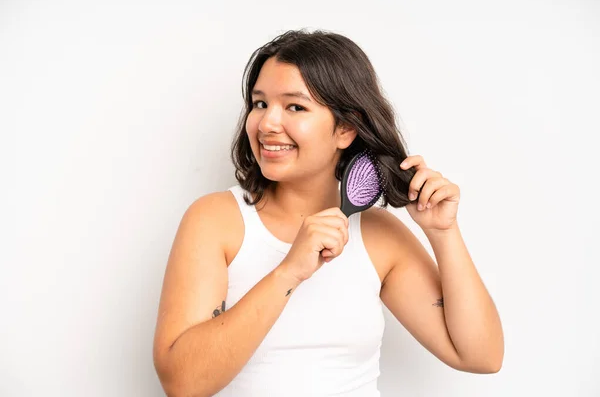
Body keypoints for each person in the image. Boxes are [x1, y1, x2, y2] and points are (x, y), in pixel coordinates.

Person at [152, 29, 504, 396]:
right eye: (259, 104)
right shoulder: (216, 220)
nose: (268, 123)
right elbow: (182, 383)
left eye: (295, 106)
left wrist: (443, 234)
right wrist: (289, 271)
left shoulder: (379, 235)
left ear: (346, 127)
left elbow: (481, 356)